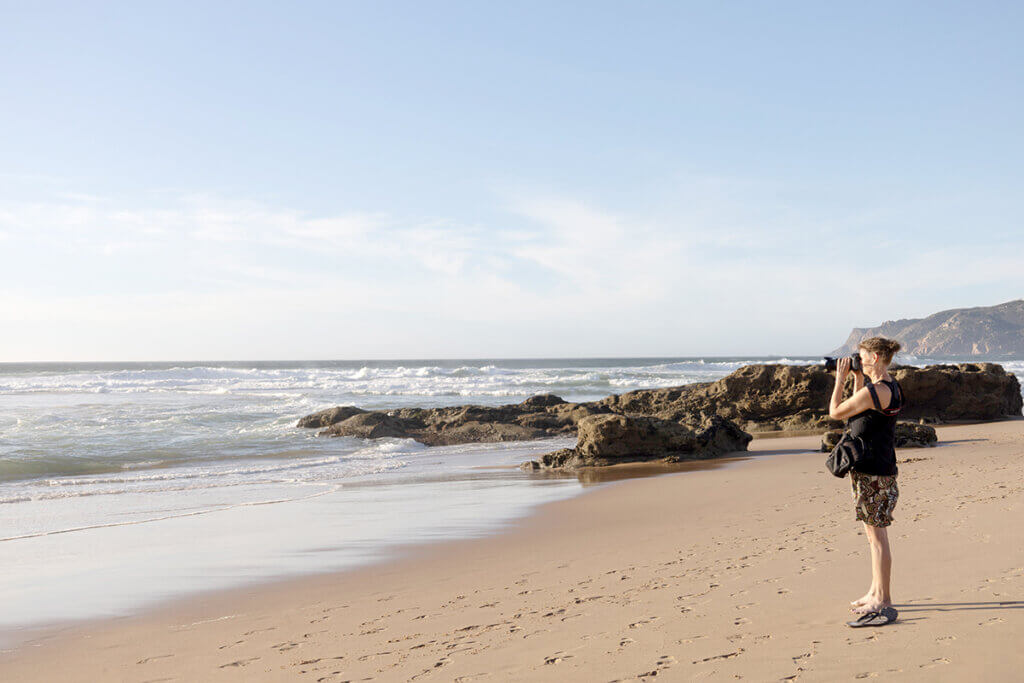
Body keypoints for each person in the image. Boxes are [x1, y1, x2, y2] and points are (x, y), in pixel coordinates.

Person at [827, 336, 904, 627]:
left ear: (875, 357)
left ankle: (883, 599)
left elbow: (836, 412)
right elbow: (858, 413)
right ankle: (874, 590)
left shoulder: (878, 391)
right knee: (873, 537)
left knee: (878, 538)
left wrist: (840, 380)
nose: (858, 360)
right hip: (878, 468)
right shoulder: (889, 386)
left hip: (874, 473)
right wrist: (857, 379)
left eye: (861, 357)